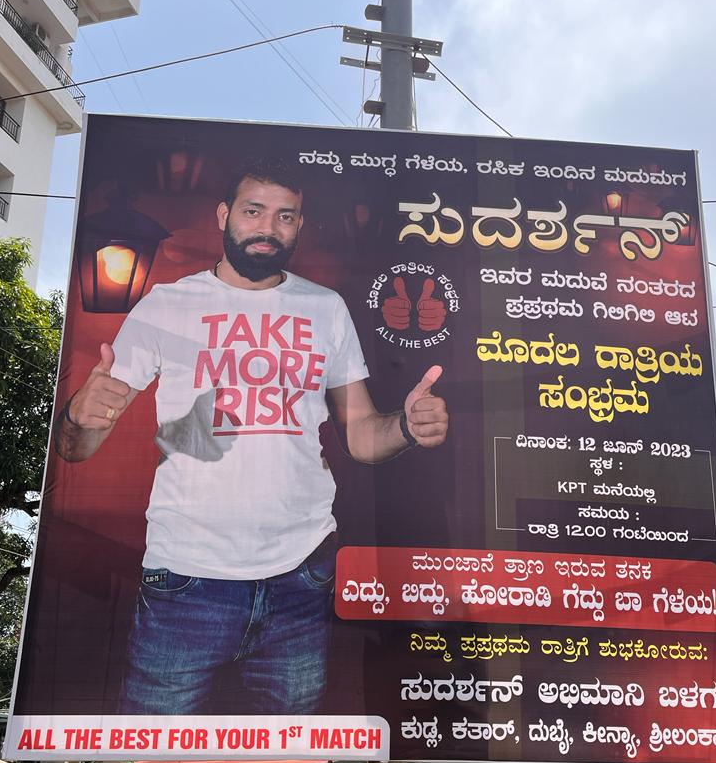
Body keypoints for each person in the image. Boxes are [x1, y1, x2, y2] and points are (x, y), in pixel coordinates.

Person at [54, 159, 449, 715]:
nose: (268, 227)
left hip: (302, 578)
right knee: (146, 759)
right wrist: (79, 413)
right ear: (224, 216)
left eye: (285, 216)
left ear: (299, 226)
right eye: (253, 211)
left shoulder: (325, 308)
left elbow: (361, 435)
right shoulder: (168, 304)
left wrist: (405, 427)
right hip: (186, 580)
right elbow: (77, 448)